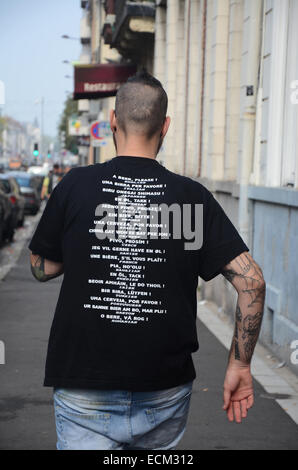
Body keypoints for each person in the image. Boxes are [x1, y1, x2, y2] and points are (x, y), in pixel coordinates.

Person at [28, 71, 266, 450]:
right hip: (164, 392)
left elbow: (40, 267)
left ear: (111, 122)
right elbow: (251, 281)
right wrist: (240, 364)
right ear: (165, 126)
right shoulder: (194, 197)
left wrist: (82, 252)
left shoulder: (74, 185)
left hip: (84, 388)